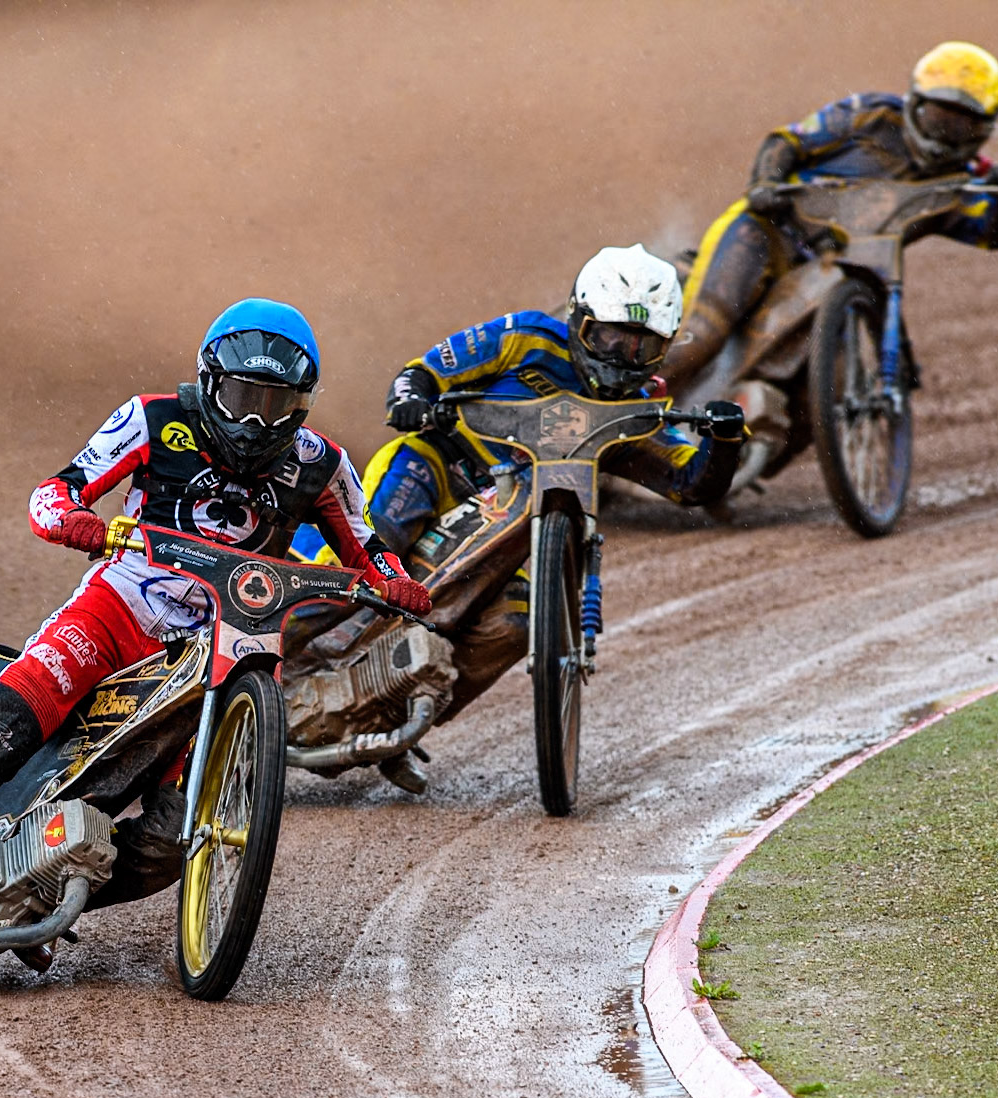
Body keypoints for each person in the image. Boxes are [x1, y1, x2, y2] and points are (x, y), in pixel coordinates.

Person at [0, 298, 432, 938]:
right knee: (2, 735)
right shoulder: (154, 420)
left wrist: (399, 584)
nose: (252, 418)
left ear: (298, 408)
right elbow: (56, 491)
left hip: (222, 646)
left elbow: (368, 546)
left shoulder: (320, 464)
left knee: (168, 842)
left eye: (271, 403)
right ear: (210, 381)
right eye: (242, 395)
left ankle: (36, 895)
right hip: (117, 612)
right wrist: (73, 521)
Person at [292, 245, 745, 792]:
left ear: (663, 350)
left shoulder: (637, 412)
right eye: (610, 337)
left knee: (515, 626)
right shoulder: (525, 336)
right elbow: (422, 373)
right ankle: (265, 651)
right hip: (439, 467)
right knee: (374, 547)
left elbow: (692, 482)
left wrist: (724, 441)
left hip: (532, 530)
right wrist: (413, 398)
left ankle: (394, 716)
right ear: (579, 320)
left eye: (641, 345)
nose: (622, 356)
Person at [659, 41, 998, 402]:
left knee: (825, 398)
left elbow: (991, 235)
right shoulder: (870, 114)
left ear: (984, 130)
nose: (943, 136)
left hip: (833, 279)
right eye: (937, 119)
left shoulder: (959, 187)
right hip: (767, 234)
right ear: (914, 104)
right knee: (702, 338)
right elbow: (788, 140)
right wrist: (764, 184)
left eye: (959, 126)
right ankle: (627, 419)